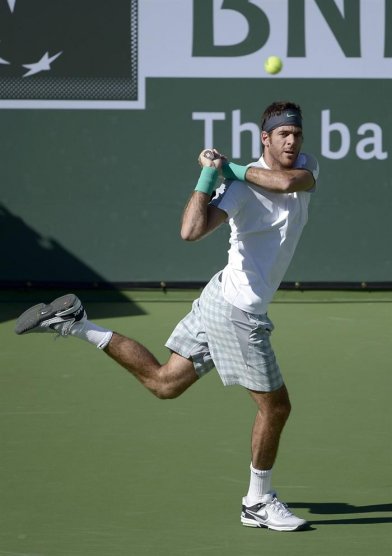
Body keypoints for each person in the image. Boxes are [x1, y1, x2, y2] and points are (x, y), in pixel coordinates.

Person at [15, 100, 319, 532]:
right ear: (265, 138)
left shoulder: (304, 169)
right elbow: (190, 231)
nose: (292, 141)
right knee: (277, 408)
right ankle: (258, 500)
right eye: (283, 134)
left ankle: (78, 323)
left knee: (163, 383)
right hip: (235, 310)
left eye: (297, 134)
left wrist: (228, 166)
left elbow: (288, 181)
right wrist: (208, 177)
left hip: (223, 301)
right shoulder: (238, 189)